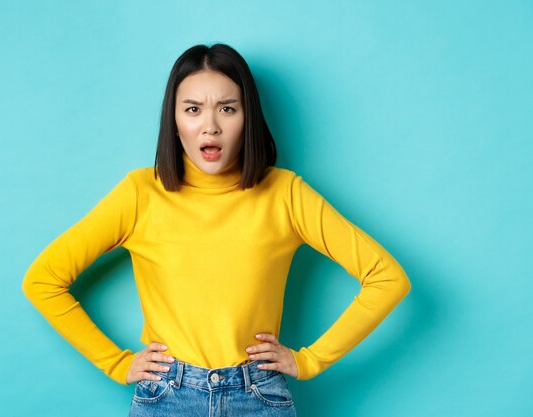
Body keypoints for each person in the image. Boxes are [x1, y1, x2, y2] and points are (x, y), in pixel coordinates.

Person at [22, 43, 411, 416]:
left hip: (259, 396)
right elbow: (43, 280)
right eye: (193, 109)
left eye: (227, 108)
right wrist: (116, 363)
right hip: (167, 396)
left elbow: (386, 278)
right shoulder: (141, 194)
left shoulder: (285, 194)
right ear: (174, 122)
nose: (210, 126)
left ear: (248, 119)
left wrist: (308, 360)